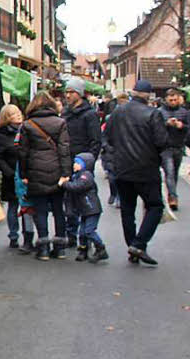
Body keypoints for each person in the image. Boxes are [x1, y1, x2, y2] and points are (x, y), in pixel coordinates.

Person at [105, 79, 168, 265]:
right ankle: (139, 244)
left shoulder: (118, 112)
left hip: (122, 168)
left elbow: (107, 137)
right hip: (146, 168)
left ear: (133, 92)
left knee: (127, 209)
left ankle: (133, 247)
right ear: (148, 95)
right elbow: (162, 141)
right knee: (155, 206)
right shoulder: (153, 114)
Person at [18, 91, 71, 260]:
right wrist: (65, 173)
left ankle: (43, 249)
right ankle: (60, 248)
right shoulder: (60, 122)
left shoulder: (28, 124)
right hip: (56, 172)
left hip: (35, 172)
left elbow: (23, 152)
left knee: (40, 211)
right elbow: (64, 149)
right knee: (58, 210)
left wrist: (24, 174)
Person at [61, 78, 102, 247]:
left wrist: (88, 163)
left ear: (80, 93)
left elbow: (96, 141)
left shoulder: (89, 114)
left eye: (72, 92)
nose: (68, 95)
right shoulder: (65, 113)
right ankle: (71, 235)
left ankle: (85, 238)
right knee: (69, 202)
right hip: (67, 162)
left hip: (83, 163)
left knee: (85, 202)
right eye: (67, 92)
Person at [59, 152, 108, 263]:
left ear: (85, 165)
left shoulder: (86, 176)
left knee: (89, 231)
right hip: (84, 209)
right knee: (82, 232)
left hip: (91, 209)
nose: (74, 165)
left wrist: (64, 184)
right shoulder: (77, 176)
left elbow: (77, 187)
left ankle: (101, 248)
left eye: (77, 163)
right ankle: (83, 250)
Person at [0, 104, 28, 250]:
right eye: (14, 114)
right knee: (13, 206)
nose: (19, 115)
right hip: (11, 177)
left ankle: (28, 236)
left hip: (26, 176)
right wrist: (9, 172)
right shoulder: (2, 135)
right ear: (7, 117)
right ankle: (13, 236)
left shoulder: (27, 130)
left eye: (19, 112)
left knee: (27, 207)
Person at [158, 87, 190, 211]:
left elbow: (188, 128)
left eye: (175, 100)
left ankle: (172, 193)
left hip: (178, 146)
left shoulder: (184, 112)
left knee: (174, 173)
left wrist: (181, 126)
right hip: (166, 147)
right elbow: (156, 128)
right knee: (169, 171)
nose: (173, 102)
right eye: (170, 100)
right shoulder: (160, 112)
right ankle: (173, 197)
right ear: (166, 99)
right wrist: (166, 124)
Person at [101, 91, 128, 206]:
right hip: (111, 151)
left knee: (121, 177)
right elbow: (104, 135)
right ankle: (113, 193)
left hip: (124, 152)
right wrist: (106, 146)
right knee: (112, 178)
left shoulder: (129, 120)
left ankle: (119, 197)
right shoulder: (109, 118)